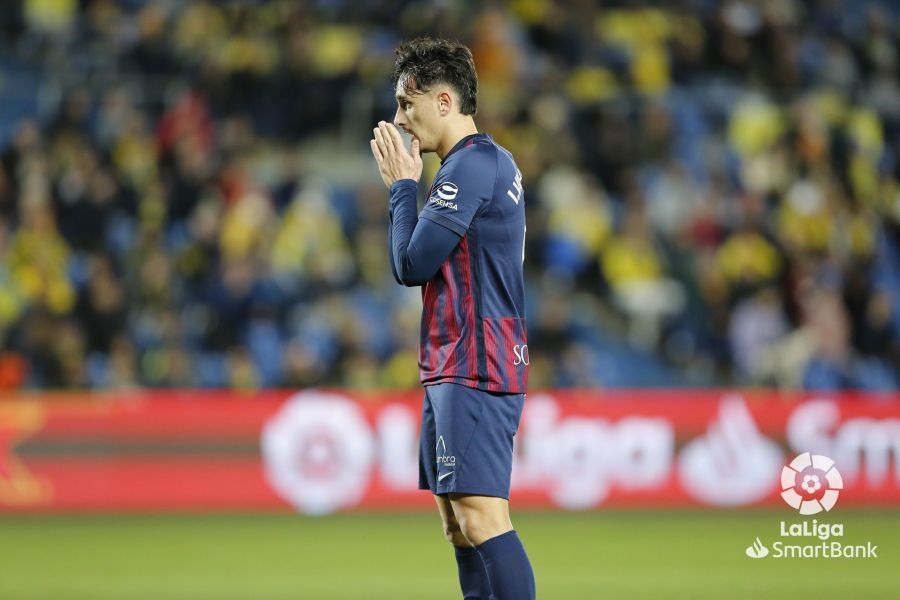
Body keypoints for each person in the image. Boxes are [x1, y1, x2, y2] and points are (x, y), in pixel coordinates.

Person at [369, 37, 535, 600]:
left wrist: (400, 190)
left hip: (476, 361)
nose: (399, 122)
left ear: (444, 102)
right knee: (458, 527)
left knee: (483, 518)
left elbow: (411, 264)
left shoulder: (471, 167)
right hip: (452, 359)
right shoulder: (481, 164)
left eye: (406, 107)